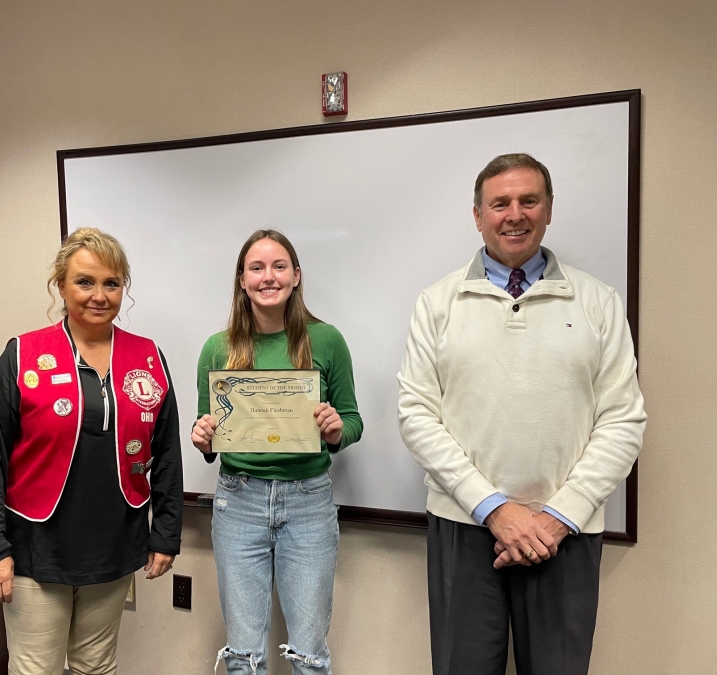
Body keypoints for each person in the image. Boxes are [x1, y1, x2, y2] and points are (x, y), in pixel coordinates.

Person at [397, 154, 646, 675]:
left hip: (566, 531)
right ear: (478, 214)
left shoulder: (598, 302)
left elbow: (623, 420)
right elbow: (417, 414)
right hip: (463, 525)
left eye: (528, 200)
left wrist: (557, 518)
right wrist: (493, 508)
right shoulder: (438, 302)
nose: (515, 214)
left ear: (549, 209)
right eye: (500, 203)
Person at [0, 227, 183, 675]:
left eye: (112, 283)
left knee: (96, 666)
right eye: (85, 282)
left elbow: (166, 452)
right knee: (35, 669)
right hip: (34, 549)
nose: (99, 295)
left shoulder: (148, 358)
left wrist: (165, 532)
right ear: (60, 285)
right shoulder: (23, 356)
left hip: (113, 545)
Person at [191, 230, 363, 675]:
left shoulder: (326, 341)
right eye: (257, 268)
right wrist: (204, 437)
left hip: (308, 502)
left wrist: (335, 430)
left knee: (308, 655)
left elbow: (353, 422)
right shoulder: (217, 347)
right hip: (238, 501)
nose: (269, 277)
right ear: (242, 280)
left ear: (296, 276)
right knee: (243, 656)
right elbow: (207, 428)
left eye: (279, 266)